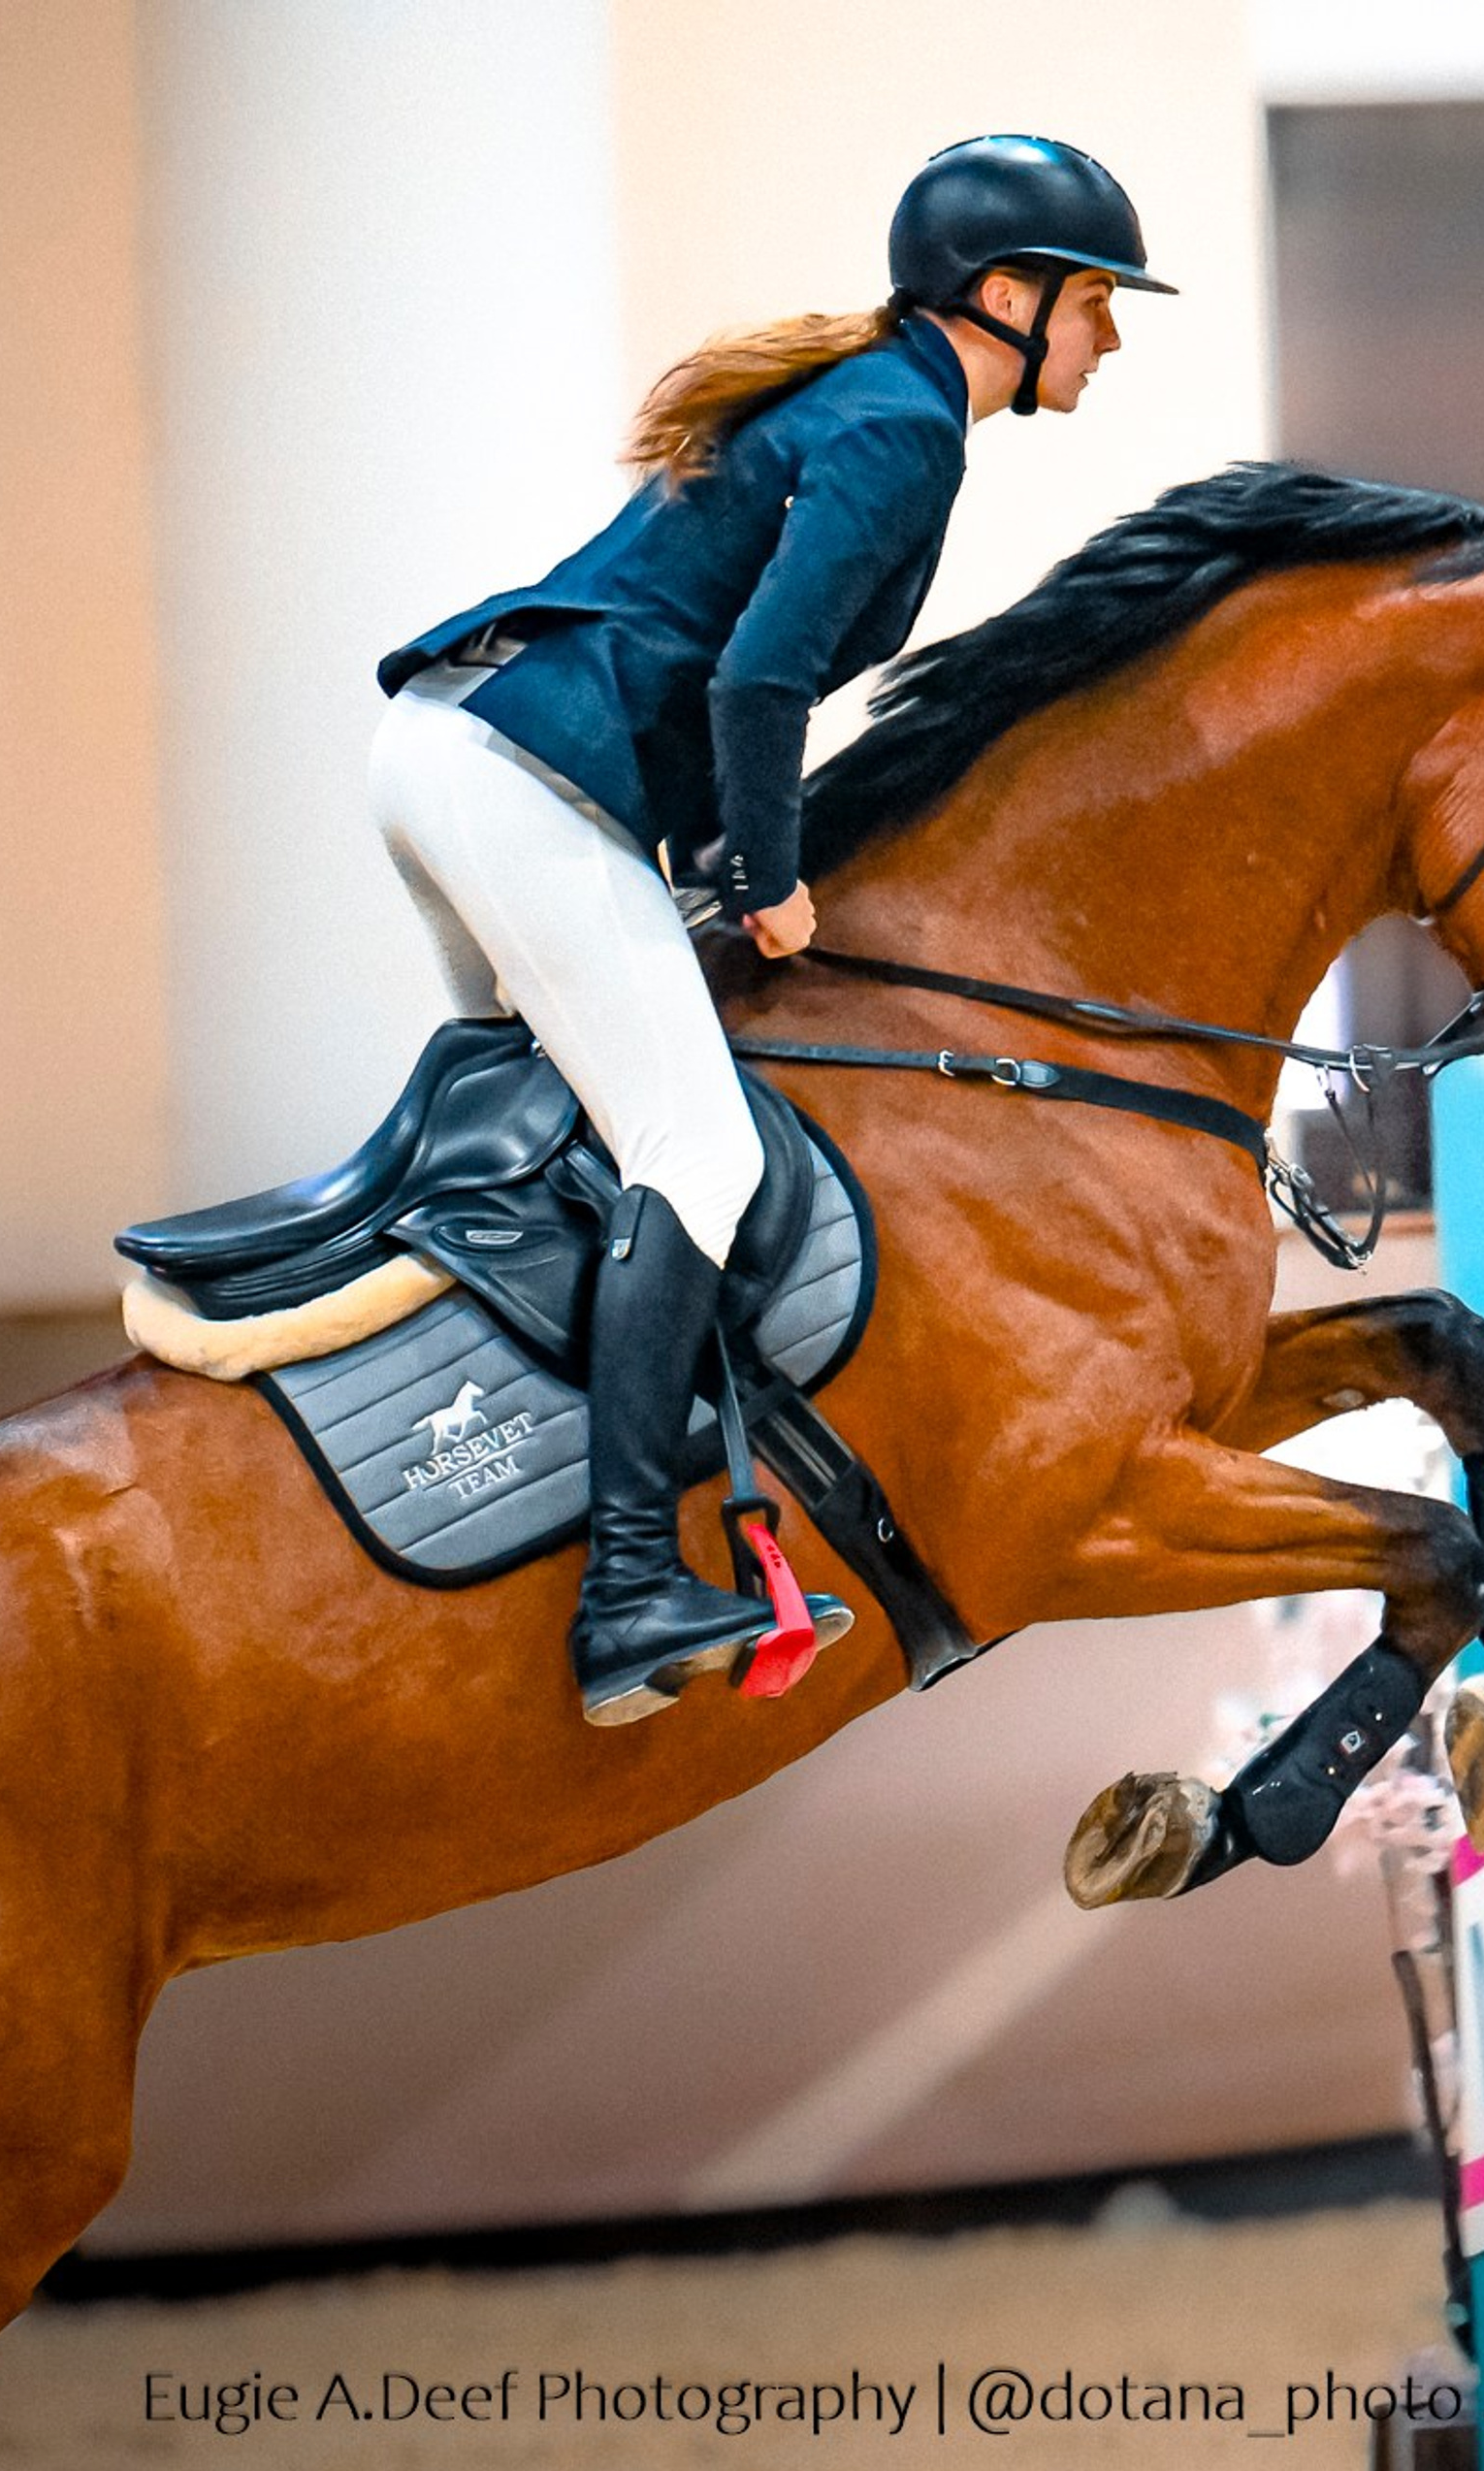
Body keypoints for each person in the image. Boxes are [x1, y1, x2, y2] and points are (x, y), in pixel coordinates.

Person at [370, 136, 1174, 1727]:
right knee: (703, 1150)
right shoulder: (899, 427)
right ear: (1005, 299)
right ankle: (620, 1582)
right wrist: (771, 879)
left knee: (569, 1132)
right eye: (1095, 303)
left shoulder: (875, 399)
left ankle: (492, 1461)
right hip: (524, 775)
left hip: (459, 753)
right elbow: (759, 678)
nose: (1112, 339)